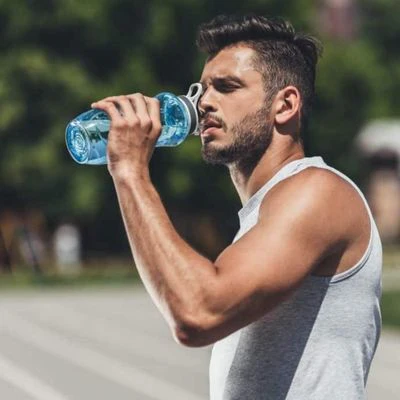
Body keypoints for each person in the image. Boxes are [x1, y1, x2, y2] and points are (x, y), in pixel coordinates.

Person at [92, 14, 382, 400]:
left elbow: (199, 313)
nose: (204, 102)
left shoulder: (318, 191)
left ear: (285, 105)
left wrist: (130, 172)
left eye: (226, 87)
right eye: (202, 89)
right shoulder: (263, 215)